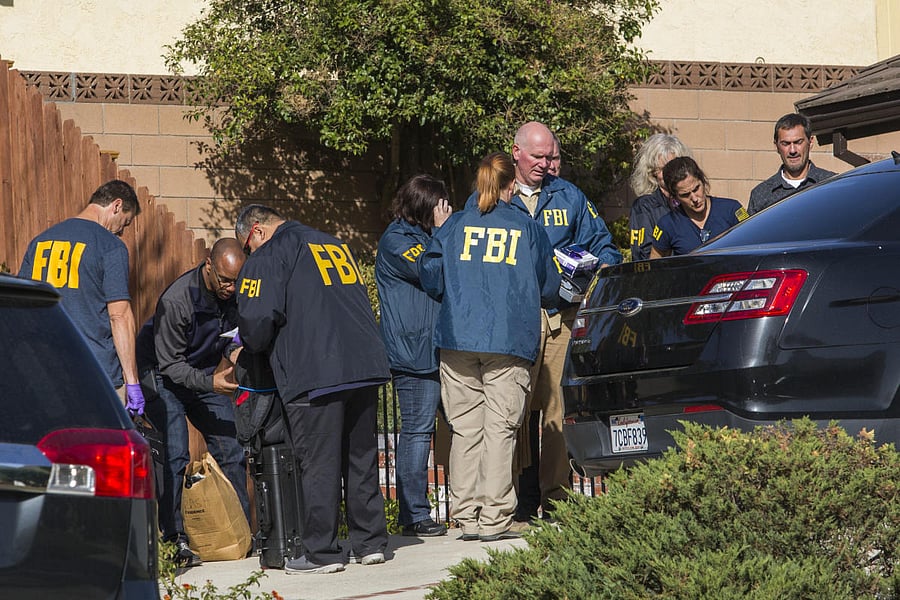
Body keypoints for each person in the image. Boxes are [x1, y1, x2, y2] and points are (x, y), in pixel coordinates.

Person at [466, 122, 622, 523]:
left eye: (550, 156)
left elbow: (604, 244)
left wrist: (598, 265)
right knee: (510, 412)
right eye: (537, 156)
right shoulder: (491, 197)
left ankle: (556, 501)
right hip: (512, 320)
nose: (544, 164)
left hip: (560, 318)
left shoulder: (568, 195)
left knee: (556, 413)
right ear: (515, 152)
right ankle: (512, 500)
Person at [234, 204, 390, 574]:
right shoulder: (330, 242)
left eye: (246, 247)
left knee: (317, 462)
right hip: (363, 364)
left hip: (315, 371)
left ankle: (321, 553)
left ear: (255, 231)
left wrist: (248, 346)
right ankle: (370, 543)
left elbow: (256, 324)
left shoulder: (271, 252)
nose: (248, 254)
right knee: (360, 457)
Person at [420, 152, 560, 542]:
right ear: (510, 186)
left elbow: (431, 279)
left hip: (458, 337)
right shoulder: (525, 226)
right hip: (508, 338)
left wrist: (439, 232)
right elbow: (548, 284)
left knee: (465, 430)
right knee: (501, 430)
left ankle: (466, 516)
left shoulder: (454, 225)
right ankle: (495, 519)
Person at [135, 237, 250, 568]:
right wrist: (211, 382)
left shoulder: (236, 293)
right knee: (176, 452)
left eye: (236, 281)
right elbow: (170, 365)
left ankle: (238, 530)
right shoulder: (178, 300)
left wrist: (235, 352)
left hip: (197, 371)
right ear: (208, 264)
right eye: (226, 280)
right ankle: (175, 539)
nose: (231, 288)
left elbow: (232, 336)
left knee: (231, 446)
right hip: (160, 371)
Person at [18, 179, 145, 413]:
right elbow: (120, 316)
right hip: (96, 373)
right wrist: (133, 381)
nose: (122, 231)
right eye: (125, 222)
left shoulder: (39, 243)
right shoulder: (110, 246)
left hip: (44, 370)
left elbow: (22, 307)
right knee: (101, 447)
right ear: (116, 206)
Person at [375, 175, 452, 538]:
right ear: (424, 207)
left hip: (440, 347)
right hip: (414, 352)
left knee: (463, 429)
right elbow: (434, 275)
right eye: (439, 204)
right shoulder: (397, 241)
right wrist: (443, 233)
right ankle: (414, 515)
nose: (445, 210)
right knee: (418, 433)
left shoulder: (424, 237)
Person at [650, 156, 748, 257]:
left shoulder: (732, 210)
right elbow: (655, 263)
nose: (695, 199)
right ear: (675, 196)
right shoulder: (667, 225)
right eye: (685, 195)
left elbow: (754, 244)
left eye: (696, 189)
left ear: (703, 181)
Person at [748, 113, 835, 215]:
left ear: (810, 142)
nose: (792, 150)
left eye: (798, 142)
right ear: (776, 146)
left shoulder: (831, 184)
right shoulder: (761, 194)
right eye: (786, 144)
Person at [628, 133, 694, 261]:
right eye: (664, 169)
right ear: (652, 172)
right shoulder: (644, 207)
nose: (671, 173)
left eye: (674, 166)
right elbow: (644, 254)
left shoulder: (692, 199)